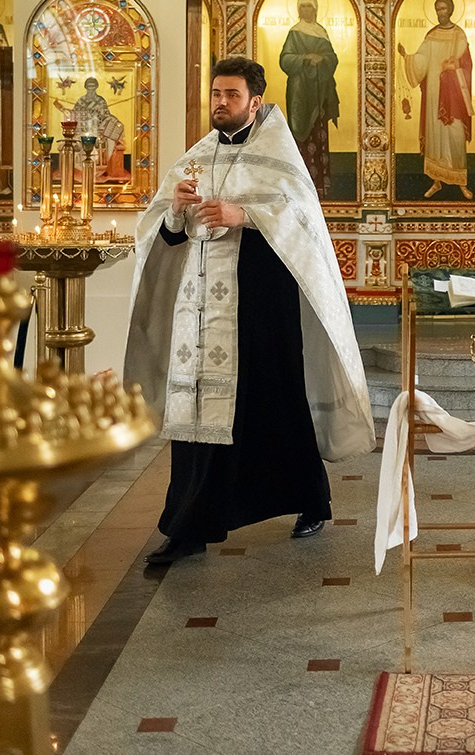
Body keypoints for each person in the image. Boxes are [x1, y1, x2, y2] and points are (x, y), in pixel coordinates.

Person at [124, 56, 374, 565]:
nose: (221, 102)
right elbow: (164, 233)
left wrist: (247, 214)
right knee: (195, 416)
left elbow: (303, 223)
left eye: (232, 95)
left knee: (277, 405)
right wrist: (175, 209)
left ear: (254, 102)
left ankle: (310, 500)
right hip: (200, 314)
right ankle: (189, 526)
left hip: (262, 310)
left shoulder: (278, 154)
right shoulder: (195, 156)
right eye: (217, 93)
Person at [398, 0, 474, 200]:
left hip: (454, 92)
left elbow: (468, 65)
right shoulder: (431, 35)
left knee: (456, 135)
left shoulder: (459, 35)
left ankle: (461, 182)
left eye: (443, 9)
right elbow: (422, 60)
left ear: (450, 10)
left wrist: (455, 66)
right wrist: (408, 57)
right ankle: (436, 181)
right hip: (434, 91)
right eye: (437, 9)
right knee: (435, 135)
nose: (440, 13)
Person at [279, 0, 340, 198]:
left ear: (315, 9)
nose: (306, 10)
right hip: (299, 93)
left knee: (319, 133)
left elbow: (332, 59)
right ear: (298, 10)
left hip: (320, 92)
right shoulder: (294, 33)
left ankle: (321, 186)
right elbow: (285, 60)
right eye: (302, 6)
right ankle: (299, 188)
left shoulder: (321, 32)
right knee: (300, 134)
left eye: (309, 6)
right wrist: (305, 58)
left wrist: (322, 58)